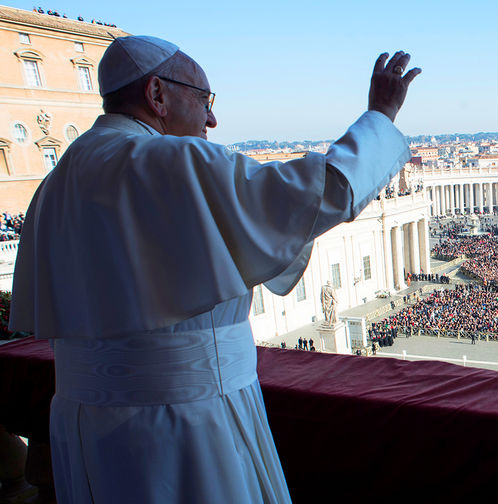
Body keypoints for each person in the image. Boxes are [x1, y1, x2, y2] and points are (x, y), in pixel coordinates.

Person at [9, 35, 420, 504]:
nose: (211, 118)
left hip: (84, 425)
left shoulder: (55, 182)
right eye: (204, 100)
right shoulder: (171, 160)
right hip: (184, 423)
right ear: (157, 95)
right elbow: (321, 193)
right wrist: (380, 118)